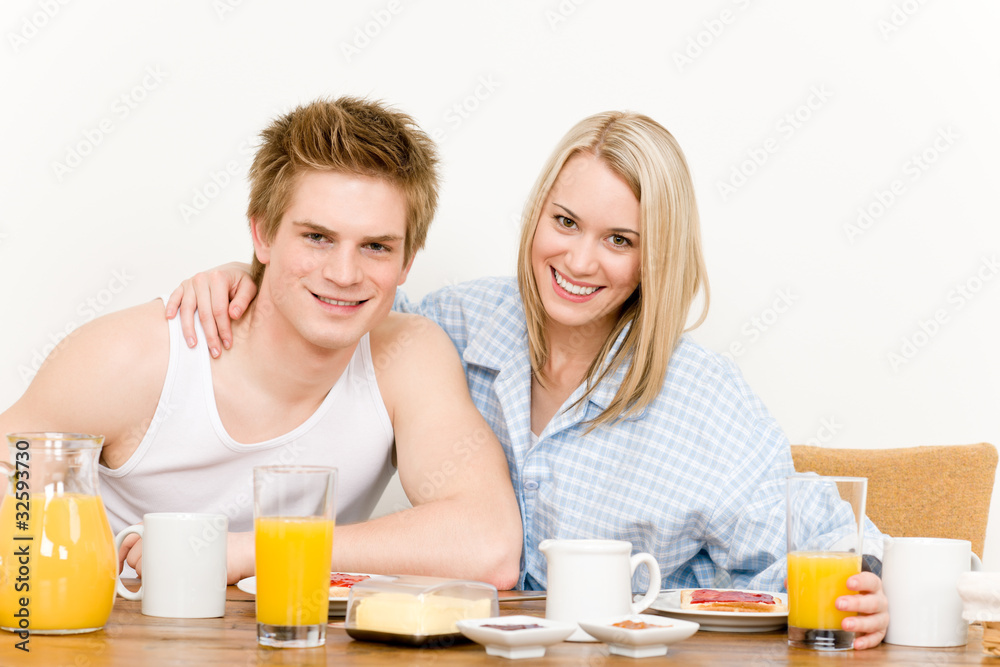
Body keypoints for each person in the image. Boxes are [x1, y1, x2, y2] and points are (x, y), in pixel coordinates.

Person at [169, 110, 890, 647]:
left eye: (619, 241)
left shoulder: (700, 396)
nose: (579, 260)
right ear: (537, 214)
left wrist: (874, 588)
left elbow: (821, 535)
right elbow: (345, 305)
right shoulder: (454, 324)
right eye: (566, 221)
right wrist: (249, 276)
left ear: (654, 259)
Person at [0, 97, 522, 589]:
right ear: (262, 234)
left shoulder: (408, 357)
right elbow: (11, 477)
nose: (344, 273)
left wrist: (243, 553)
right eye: (317, 237)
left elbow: (489, 546)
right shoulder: (131, 356)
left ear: (407, 261)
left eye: (376, 247)